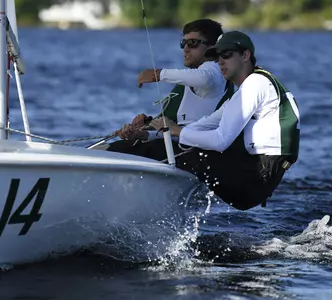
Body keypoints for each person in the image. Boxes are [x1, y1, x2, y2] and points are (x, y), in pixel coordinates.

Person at [148, 31, 300, 211]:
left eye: (226, 55)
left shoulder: (255, 85)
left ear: (245, 55)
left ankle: (149, 200)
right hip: (259, 172)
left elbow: (220, 141)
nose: (220, 62)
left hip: (257, 177)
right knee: (177, 146)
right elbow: (204, 124)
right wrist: (150, 133)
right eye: (217, 57)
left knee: (183, 152)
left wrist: (178, 132)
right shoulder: (250, 88)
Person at [101, 19, 235, 160]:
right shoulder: (197, 77)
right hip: (179, 146)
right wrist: (143, 134)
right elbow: (176, 131)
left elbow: (204, 78)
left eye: (193, 43)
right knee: (118, 147)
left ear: (212, 47)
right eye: (183, 43)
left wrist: (159, 74)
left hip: (193, 153)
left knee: (121, 151)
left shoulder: (214, 71)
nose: (186, 48)